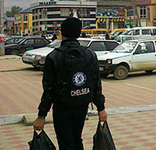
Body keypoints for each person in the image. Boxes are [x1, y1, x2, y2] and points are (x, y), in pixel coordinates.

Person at [34, 17, 107, 149]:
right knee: (77, 138)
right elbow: (96, 83)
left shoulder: (54, 56)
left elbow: (48, 89)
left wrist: (41, 115)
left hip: (62, 107)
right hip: (82, 104)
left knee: (66, 143)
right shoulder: (90, 54)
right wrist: (101, 108)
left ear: (62, 33)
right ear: (79, 33)